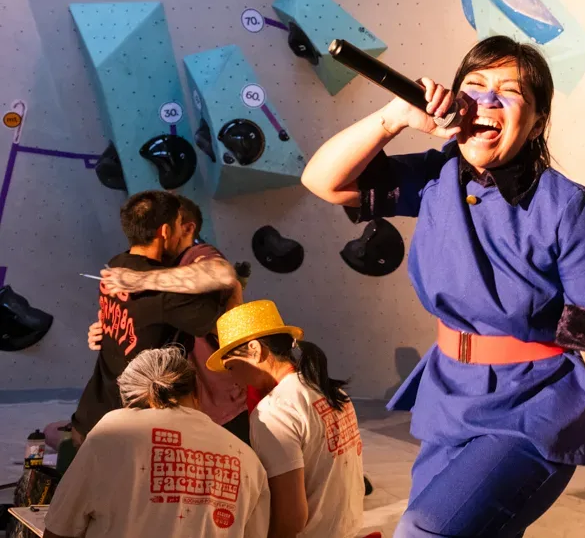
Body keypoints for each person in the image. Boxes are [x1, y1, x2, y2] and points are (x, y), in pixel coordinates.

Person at [300, 35, 585, 537]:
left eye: (509, 91)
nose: (487, 99)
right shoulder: (437, 176)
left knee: (423, 529)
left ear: (538, 122)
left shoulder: (565, 207)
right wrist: (393, 117)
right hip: (449, 397)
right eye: (475, 85)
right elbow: (323, 181)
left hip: (531, 408)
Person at [43, 346, 270, 538]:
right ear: (196, 393)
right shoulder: (246, 458)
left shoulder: (110, 434)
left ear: (128, 401)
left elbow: (59, 529)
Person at [70, 190, 225, 445]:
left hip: (91, 415)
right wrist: (234, 289)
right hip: (130, 430)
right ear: (165, 231)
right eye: (179, 225)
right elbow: (226, 326)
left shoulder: (115, 266)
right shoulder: (167, 293)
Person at [206, 300, 365, 538]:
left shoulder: (274, 412)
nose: (234, 380)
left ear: (255, 350)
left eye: (231, 367)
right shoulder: (331, 391)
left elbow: (291, 518)